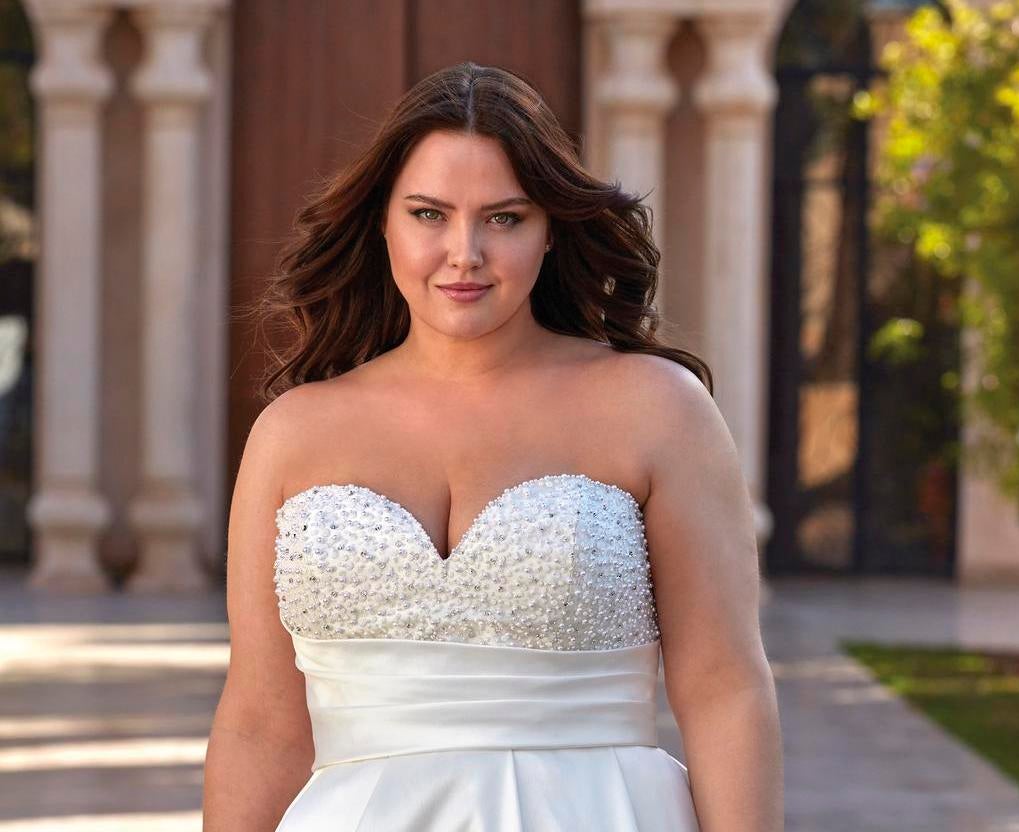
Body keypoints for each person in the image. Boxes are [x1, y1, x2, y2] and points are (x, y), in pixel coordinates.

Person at [202, 61, 783, 831]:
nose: (464, 252)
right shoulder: (294, 433)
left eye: (504, 217)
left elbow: (723, 689)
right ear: (382, 222)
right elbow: (260, 724)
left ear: (550, 232)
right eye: (428, 214)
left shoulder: (656, 410)